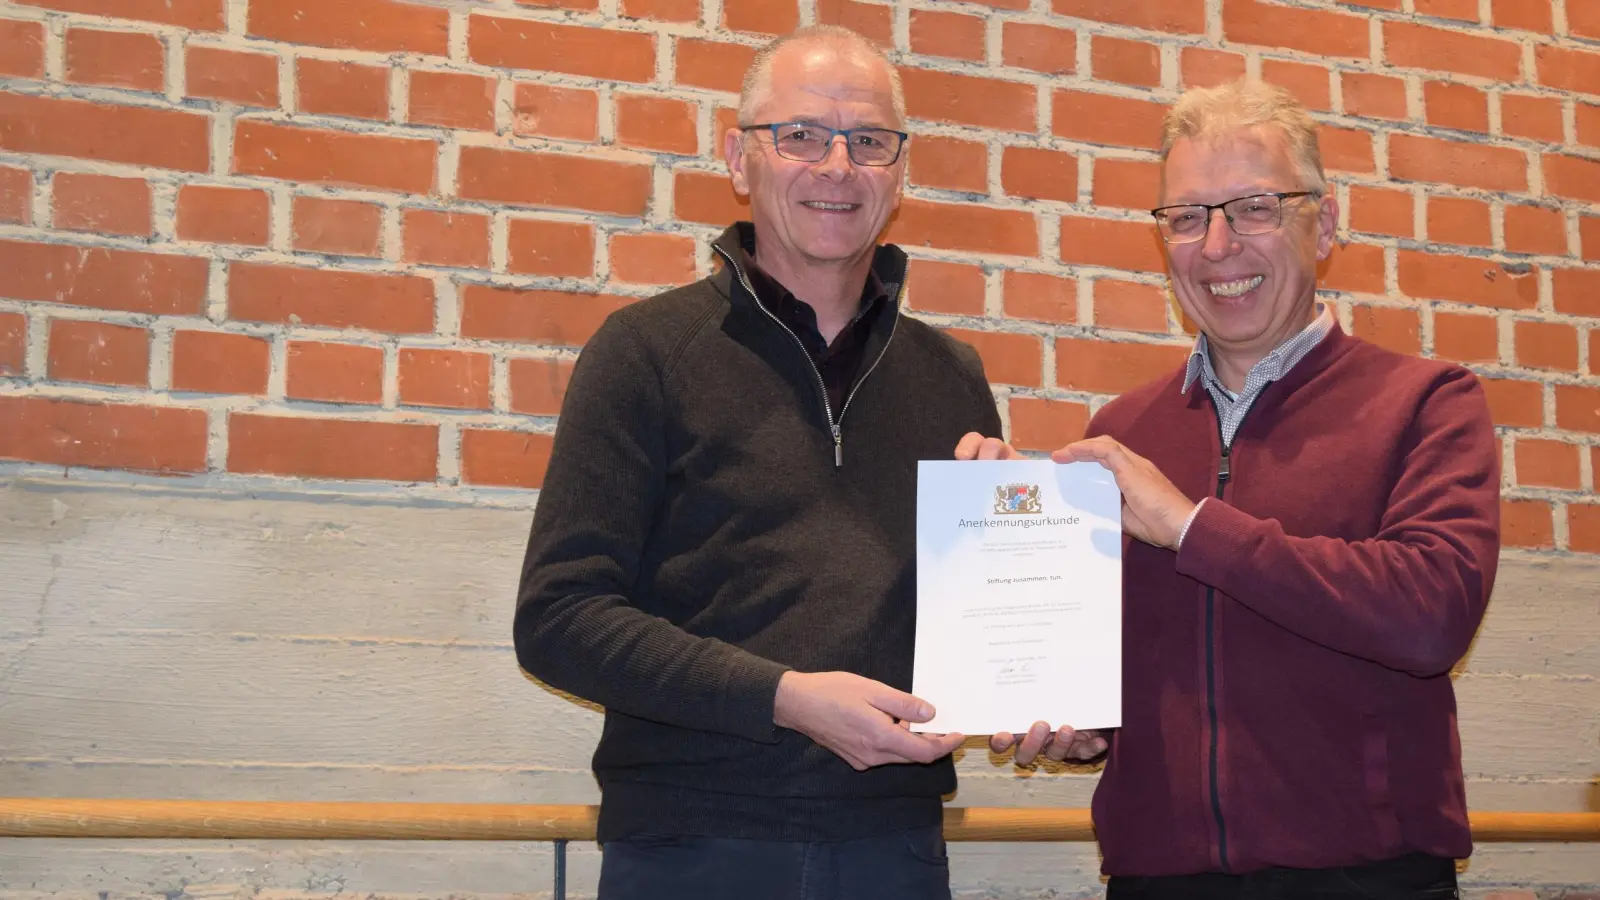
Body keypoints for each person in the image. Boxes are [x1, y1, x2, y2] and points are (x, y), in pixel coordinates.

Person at [964, 79, 1500, 898]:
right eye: (1186, 217)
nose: (1216, 247)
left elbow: (1430, 618)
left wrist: (1192, 527)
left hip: (1366, 880)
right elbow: (1138, 661)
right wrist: (1087, 721)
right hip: (1159, 880)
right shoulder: (1124, 430)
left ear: (1321, 224)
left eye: (1254, 207)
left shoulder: (1427, 401)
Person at [514, 25, 1002, 900]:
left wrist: (1007, 555)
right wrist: (784, 698)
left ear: (900, 175)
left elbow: (968, 636)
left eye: (869, 142)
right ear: (739, 159)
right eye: (803, 136)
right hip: (692, 846)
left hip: (895, 847)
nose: (838, 166)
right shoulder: (647, 352)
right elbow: (559, 618)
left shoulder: (952, 379)